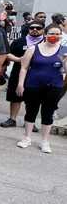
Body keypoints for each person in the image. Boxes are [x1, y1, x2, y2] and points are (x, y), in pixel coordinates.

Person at [16, 24, 67, 154]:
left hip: (54, 86)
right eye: (51, 33)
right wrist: (20, 84)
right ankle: (27, 138)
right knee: (31, 110)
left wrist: (65, 60)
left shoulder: (63, 50)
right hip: (33, 85)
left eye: (57, 34)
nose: (54, 36)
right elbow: (24, 67)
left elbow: (65, 70)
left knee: (48, 113)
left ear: (61, 35)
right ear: (45, 34)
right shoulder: (33, 49)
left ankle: (45, 141)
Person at [0, 21, 44, 128]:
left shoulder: (46, 42)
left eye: (38, 28)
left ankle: (29, 122)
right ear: (28, 29)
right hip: (18, 72)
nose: (35, 30)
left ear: (43, 30)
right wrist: (20, 59)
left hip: (37, 74)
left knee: (33, 99)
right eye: (32, 28)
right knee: (15, 97)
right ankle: (12, 119)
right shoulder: (19, 41)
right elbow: (7, 54)